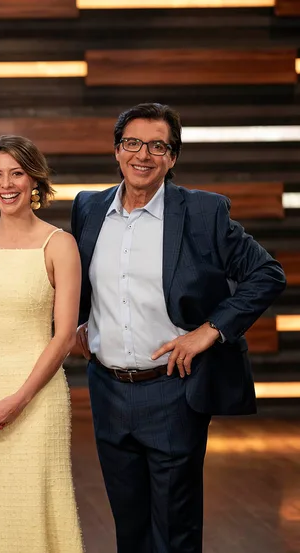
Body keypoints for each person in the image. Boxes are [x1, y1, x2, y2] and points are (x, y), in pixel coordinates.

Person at [71, 103, 286, 553]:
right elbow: (83, 279)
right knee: (129, 529)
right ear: (117, 150)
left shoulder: (204, 213)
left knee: (174, 532)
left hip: (173, 389)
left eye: (157, 146)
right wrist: (78, 326)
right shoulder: (88, 208)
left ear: (172, 158)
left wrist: (210, 330)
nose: (143, 155)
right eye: (132, 143)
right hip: (108, 389)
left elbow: (267, 273)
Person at [0, 135, 84, 553]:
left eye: (17, 173)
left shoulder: (59, 244)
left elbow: (64, 337)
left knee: (36, 506)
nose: (7, 184)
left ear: (34, 180)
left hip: (37, 398)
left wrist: (20, 399)